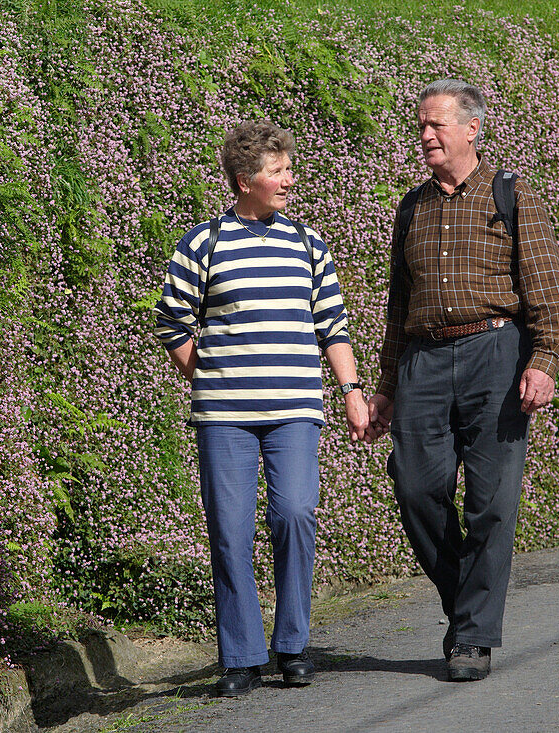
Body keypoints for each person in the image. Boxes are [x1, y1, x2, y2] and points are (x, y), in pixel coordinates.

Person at [365, 79, 559, 681]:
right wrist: (386, 384)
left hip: (495, 355)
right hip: (423, 360)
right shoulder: (413, 206)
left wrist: (543, 361)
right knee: (413, 485)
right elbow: (397, 305)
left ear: (472, 128)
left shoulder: (512, 196)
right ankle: (467, 606)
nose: (425, 135)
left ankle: (474, 638)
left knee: (492, 502)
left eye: (437, 125)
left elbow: (547, 290)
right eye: (422, 125)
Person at [154, 121, 369, 697]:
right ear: (246, 180)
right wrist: (215, 376)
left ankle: (293, 645)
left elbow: (333, 327)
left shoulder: (308, 244)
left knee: (295, 514)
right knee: (229, 531)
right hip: (224, 416)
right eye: (278, 172)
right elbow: (173, 324)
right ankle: (242, 656)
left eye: (287, 169)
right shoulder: (203, 244)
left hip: (296, 410)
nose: (289, 180)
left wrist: (351, 392)